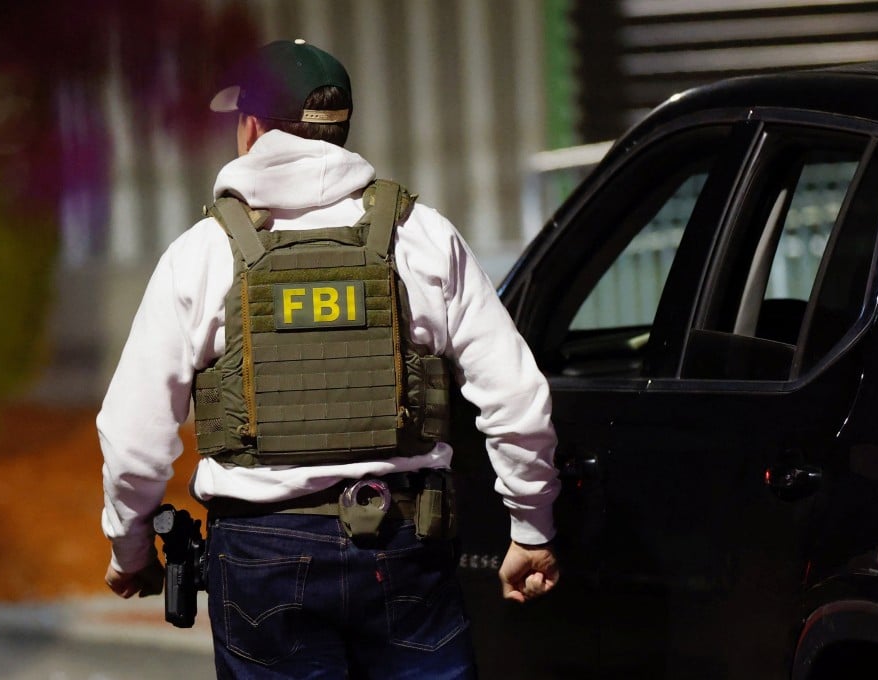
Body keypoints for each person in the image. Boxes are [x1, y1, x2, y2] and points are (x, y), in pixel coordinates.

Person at [98, 38, 560, 678]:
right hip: (405, 543)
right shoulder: (421, 236)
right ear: (340, 128)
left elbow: (132, 439)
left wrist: (130, 548)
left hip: (261, 558)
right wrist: (531, 528)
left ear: (252, 126)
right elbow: (518, 400)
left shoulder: (201, 254)